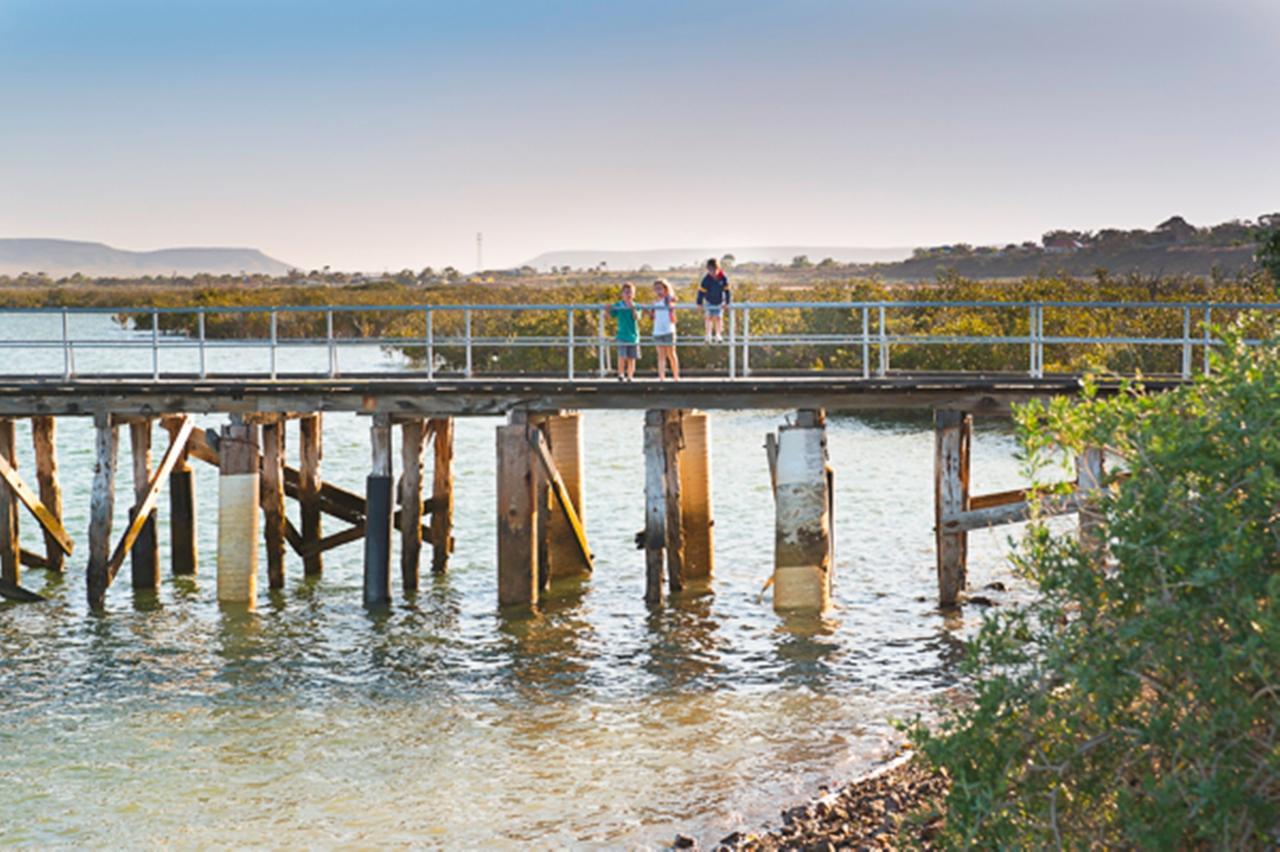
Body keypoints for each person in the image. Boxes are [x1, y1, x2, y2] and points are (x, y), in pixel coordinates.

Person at [647, 279, 680, 381]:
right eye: (656, 289)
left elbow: (675, 299)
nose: (658, 291)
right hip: (658, 331)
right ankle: (662, 377)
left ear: (665, 289)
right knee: (661, 355)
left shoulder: (668, 300)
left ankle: (676, 376)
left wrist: (668, 297)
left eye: (660, 288)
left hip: (669, 330)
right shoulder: (654, 303)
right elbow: (652, 316)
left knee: (671, 354)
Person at [609, 282, 640, 381]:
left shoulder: (636, 306)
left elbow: (636, 318)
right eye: (626, 292)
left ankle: (630, 376)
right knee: (622, 356)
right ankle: (621, 374)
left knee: (631, 358)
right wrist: (607, 310)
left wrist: (632, 309)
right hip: (622, 335)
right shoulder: (619, 305)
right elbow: (611, 315)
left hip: (633, 336)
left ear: (634, 294)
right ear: (622, 294)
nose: (628, 294)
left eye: (630, 292)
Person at [696, 257, 730, 342]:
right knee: (708, 317)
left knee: (718, 318)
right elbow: (701, 292)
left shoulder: (723, 278)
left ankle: (718, 334)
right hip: (709, 301)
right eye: (710, 270)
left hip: (719, 301)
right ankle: (708, 335)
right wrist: (699, 303)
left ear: (718, 268)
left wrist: (727, 302)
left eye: (714, 270)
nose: (712, 272)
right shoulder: (706, 279)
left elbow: (727, 291)